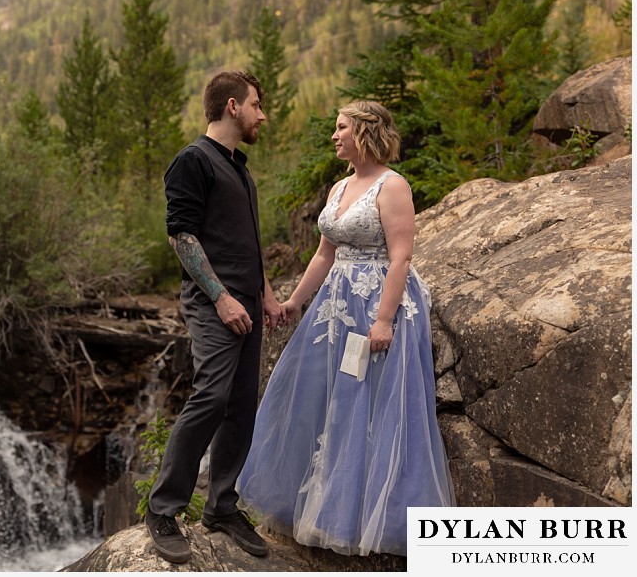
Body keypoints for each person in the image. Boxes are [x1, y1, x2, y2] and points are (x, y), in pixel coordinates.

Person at [237, 101, 456, 556]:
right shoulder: (339, 187)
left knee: (369, 406)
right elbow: (324, 254)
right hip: (336, 307)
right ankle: (317, 504)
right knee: (320, 395)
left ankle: (369, 518)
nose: (334, 136)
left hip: (378, 303)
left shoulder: (392, 186)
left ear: (365, 133)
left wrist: (383, 319)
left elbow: (401, 257)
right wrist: (296, 301)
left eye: (341, 128)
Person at [145, 70, 284, 564]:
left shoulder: (238, 167)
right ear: (231, 106)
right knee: (212, 395)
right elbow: (181, 237)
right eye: (256, 105)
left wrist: (265, 294)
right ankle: (162, 509)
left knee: (242, 404)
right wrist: (223, 298)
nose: (262, 115)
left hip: (247, 302)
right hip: (213, 303)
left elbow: (247, 242)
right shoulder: (192, 161)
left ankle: (222, 506)